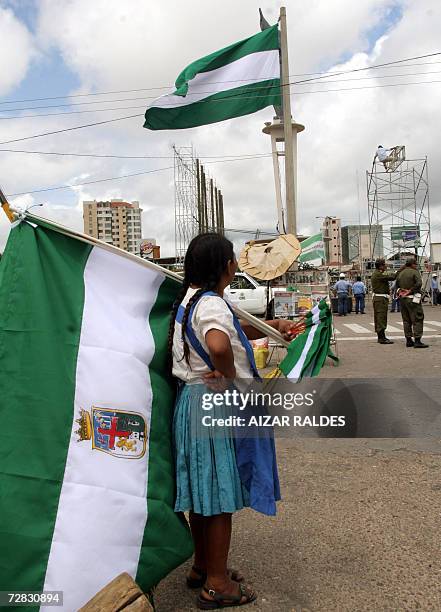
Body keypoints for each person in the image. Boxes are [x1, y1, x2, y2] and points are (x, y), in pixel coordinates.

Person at [169, 233, 296, 609]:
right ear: (225, 266)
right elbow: (220, 345)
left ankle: (203, 566)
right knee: (220, 497)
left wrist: (273, 326)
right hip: (213, 404)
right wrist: (224, 373)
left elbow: (228, 334)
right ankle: (218, 584)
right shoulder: (212, 304)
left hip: (193, 402)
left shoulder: (190, 300)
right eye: (233, 260)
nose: (237, 266)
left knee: (203, 495)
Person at [396, 258, 429, 348]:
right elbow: (419, 283)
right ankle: (417, 340)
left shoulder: (401, 273)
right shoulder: (415, 272)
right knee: (417, 318)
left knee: (406, 320)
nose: (416, 265)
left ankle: (409, 340)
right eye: (416, 264)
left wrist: (402, 292)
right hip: (413, 299)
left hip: (403, 299)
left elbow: (396, 286)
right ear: (412, 264)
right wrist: (410, 291)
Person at [371, 258, 396, 344]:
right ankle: (382, 337)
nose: (385, 266)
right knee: (381, 317)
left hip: (380, 299)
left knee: (380, 317)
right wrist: (400, 271)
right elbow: (392, 277)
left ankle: (381, 336)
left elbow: (390, 274)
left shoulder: (380, 272)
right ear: (381, 266)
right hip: (380, 299)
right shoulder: (378, 274)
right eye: (384, 264)